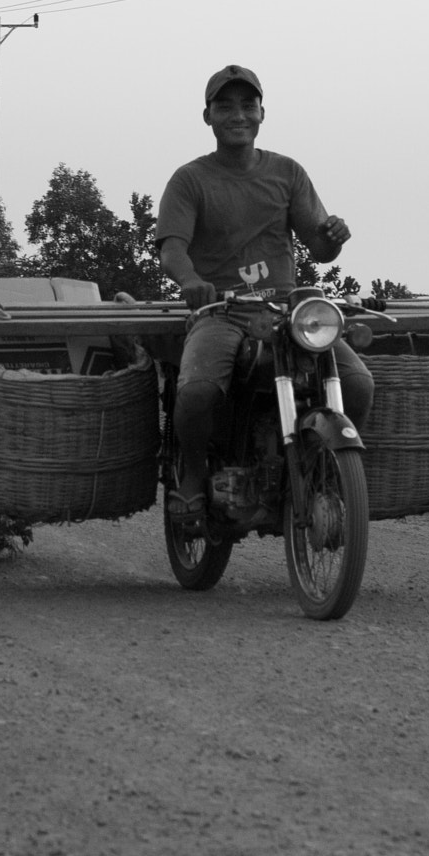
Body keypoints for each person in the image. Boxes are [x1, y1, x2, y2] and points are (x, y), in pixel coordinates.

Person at [154, 63, 374, 529]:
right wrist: (191, 281)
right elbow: (172, 249)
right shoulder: (189, 180)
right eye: (225, 106)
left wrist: (334, 236)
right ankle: (193, 476)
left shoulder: (287, 172)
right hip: (222, 310)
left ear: (261, 113)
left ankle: (324, 472)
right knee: (195, 394)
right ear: (208, 116)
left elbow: (319, 246)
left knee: (358, 384)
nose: (238, 114)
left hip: (287, 309)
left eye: (247, 105)